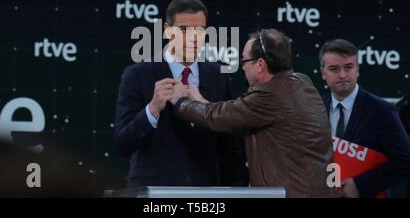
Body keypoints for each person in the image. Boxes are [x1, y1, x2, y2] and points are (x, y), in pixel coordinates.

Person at [170, 29, 340, 197]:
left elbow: (219, 117)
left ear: (260, 64)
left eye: (244, 60)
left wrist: (181, 102)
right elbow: (234, 115)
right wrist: (198, 98)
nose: (242, 66)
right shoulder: (301, 82)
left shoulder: (271, 95)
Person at [114, 0, 247, 187]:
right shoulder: (138, 75)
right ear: (167, 31)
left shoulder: (218, 76)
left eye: (200, 30)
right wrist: (151, 110)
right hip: (154, 192)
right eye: (184, 30)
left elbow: (229, 149)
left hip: (203, 194)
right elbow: (122, 144)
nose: (193, 38)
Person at [319, 38, 410, 198]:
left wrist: (360, 185)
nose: (342, 75)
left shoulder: (382, 110)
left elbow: (405, 160)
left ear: (357, 70)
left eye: (348, 67)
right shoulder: (316, 108)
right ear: (323, 73)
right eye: (334, 69)